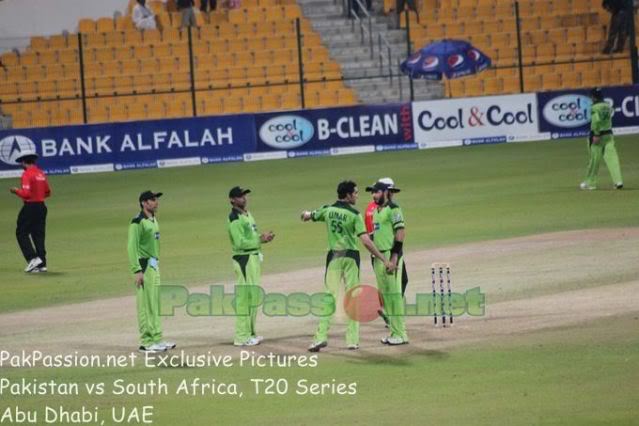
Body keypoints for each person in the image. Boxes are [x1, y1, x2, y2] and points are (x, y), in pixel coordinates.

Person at [301, 180, 394, 352]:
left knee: (329, 297)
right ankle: (352, 340)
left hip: (334, 258)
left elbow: (309, 215)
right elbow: (365, 240)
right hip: (351, 258)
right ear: (348, 195)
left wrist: (305, 215)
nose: (357, 196)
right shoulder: (354, 215)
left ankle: (320, 337)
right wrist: (383, 258)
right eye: (356, 193)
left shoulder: (328, 210)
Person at [128, 190, 176, 354]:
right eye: (152, 200)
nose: (156, 202)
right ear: (143, 203)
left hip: (153, 266)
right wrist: (137, 270)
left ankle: (157, 338)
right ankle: (146, 342)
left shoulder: (153, 220)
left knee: (155, 304)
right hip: (144, 267)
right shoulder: (138, 221)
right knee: (145, 305)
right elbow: (131, 247)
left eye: (156, 199)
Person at [227, 186, 275, 347]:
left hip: (253, 258)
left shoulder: (247, 215)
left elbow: (252, 236)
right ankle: (241, 336)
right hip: (243, 259)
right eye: (240, 197)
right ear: (232, 200)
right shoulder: (234, 218)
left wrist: (262, 239)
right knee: (244, 298)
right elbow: (240, 242)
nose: (244, 198)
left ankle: (250, 333)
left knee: (253, 297)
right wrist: (260, 239)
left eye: (245, 196)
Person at [366, 179, 409, 345]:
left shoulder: (394, 209)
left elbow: (400, 233)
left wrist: (394, 257)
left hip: (390, 258)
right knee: (386, 296)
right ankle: (394, 332)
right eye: (372, 192)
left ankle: (401, 334)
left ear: (385, 192)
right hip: (379, 259)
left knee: (394, 296)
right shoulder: (377, 211)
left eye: (376, 191)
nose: (373, 195)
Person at [10, 149, 50, 273]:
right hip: (41, 206)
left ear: (23, 162)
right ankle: (42, 263)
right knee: (38, 234)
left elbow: (26, 194)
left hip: (30, 207)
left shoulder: (27, 174)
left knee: (21, 233)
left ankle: (32, 259)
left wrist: (16, 191)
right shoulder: (41, 173)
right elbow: (48, 192)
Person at [580, 88, 624, 190]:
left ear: (593, 97)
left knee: (594, 160)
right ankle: (618, 181)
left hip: (598, 136)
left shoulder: (594, 107)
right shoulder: (607, 106)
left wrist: (596, 134)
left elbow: (595, 121)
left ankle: (590, 183)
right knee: (613, 158)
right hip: (609, 135)